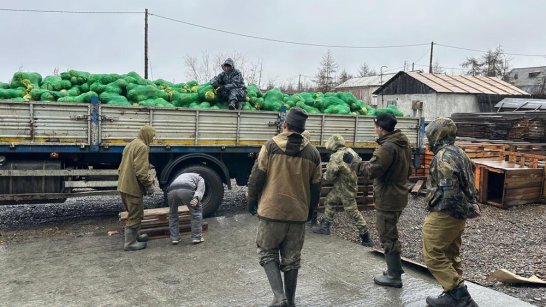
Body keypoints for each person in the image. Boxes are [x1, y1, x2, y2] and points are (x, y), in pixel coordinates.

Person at [247, 107, 322, 307]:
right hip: (298, 215)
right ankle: (291, 301)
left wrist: (251, 200)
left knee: (267, 251)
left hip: (271, 212)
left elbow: (257, 176)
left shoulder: (270, 146)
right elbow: (316, 187)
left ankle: (279, 297)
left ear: (285, 125)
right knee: (292, 259)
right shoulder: (313, 153)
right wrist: (311, 211)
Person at [343, 113, 412, 288]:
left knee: (387, 235)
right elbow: (409, 169)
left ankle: (394, 276)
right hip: (398, 194)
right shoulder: (402, 143)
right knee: (389, 232)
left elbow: (372, 171)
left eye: (376, 127)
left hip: (388, 197)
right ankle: (392, 270)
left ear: (380, 128)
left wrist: (354, 162)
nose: (375, 129)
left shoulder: (387, 147)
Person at [422, 117, 480, 307]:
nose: (428, 139)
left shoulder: (444, 156)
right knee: (450, 253)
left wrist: (464, 209)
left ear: (437, 135)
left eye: (430, 135)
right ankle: (453, 293)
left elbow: (449, 193)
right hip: (458, 215)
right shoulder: (460, 153)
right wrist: (471, 206)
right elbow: (470, 183)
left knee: (433, 254)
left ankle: (459, 296)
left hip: (444, 213)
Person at [312, 134, 373, 247]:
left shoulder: (336, 156)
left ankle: (366, 237)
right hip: (346, 185)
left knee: (352, 211)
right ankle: (325, 226)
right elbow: (358, 162)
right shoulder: (350, 151)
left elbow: (330, 176)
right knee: (330, 201)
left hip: (345, 188)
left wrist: (323, 176)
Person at [117, 125, 156, 251]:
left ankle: (136, 236)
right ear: (147, 134)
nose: (153, 139)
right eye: (152, 136)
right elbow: (141, 172)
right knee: (135, 215)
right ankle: (130, 243)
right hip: (133, 187)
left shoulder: (131, 144)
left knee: (134, 212)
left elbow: (121, 167)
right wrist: (149, 185)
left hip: (124, 185)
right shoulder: (142, 147)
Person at [166, 172, 205, 245]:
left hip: (171, 190)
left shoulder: (182, 176)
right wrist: (196, 198)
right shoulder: (200, 178)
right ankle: (196, 237)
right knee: (196, 211)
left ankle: (175, 238)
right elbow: (200, 190)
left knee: (172, 214)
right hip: (185, 189)